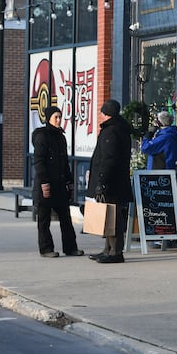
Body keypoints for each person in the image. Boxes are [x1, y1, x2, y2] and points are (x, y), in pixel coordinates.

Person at [31, 105, 84, 258]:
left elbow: (64, 162)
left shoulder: (61, 136)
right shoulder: (42, 136)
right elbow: (39, 162)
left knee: (65, 218)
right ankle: (46, 248)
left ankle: (70, 247)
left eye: (60, 117)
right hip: (45, 184)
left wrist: (69, 181)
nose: (59, 120)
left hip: (60, 184)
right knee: (44, 219)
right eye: (56, 117)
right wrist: (44, 183)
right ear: (48, 118)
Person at [87, 99, 133, 264]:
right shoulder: (120, 129)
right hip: (117, 180)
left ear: (105, 114)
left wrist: (101, 181)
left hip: (111, 181)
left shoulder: (111, 131)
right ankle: (108, 249)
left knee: (112, 216)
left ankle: (115, 252)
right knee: (109, 215)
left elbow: (108, 159)